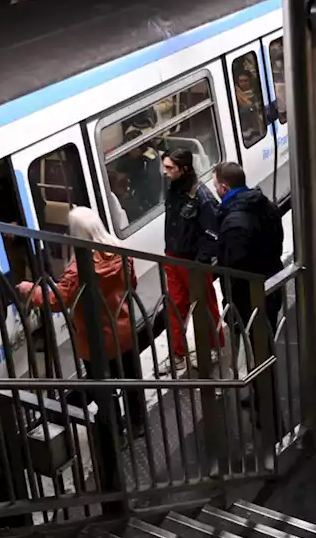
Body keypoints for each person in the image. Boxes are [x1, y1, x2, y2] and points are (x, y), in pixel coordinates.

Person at [15, 207, 146, 435]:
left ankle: (114, 431)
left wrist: (28, 288)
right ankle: (138, 424)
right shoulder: (121, 250)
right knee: (132, 382)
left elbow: (57, 300)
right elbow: (131, 284)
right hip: (124, 329)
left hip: (95, 340)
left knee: (103, 389)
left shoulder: (79, 269)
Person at [161, 148, 223, 374]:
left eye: (169, 167)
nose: (165, 172)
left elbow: (212, 234)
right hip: (173, 257)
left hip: (192, 262)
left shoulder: (202, 197)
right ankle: (177, 353)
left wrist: (200, 262)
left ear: (183, 168)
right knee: (175, 307)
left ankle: (213, 346)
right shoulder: (173, 191)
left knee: (205, 306)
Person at [213, 162, 284, 337]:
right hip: (272, 284)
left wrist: (231, 306)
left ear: (224, 188)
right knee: (268, 338)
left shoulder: (233, 224)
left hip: (249, 300)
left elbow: (234, 270)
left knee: (256, 345)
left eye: (216, 186)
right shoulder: (266, 204)